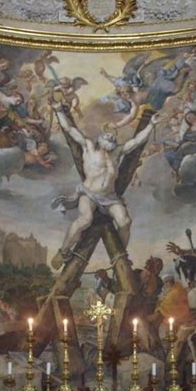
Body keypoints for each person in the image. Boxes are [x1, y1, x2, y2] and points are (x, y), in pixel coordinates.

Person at [50, 104, 162, 270]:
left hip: (110, 197)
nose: (110, 136)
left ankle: (120, 257)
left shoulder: (117, 152)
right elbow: (69, 129)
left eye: (113, 135)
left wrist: (152, 125)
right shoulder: (87, 145)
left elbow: (137, 141)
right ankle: (63, 251)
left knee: (125, 222)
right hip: (88, 194)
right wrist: (59, 111)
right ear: (101, 138)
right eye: (108, 134)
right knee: (84, 220)